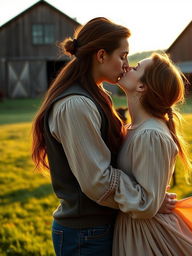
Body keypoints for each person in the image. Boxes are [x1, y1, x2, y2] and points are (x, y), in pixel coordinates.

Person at [31, 18, 175, 256]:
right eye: (123, 56)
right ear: (101, 56)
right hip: (85, 234)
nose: (126, 65)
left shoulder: (97, 95)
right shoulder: (76, 104)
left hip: (97, 228)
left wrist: (150, 194)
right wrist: (146, 201)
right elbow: (97, 180)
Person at [96, 53, 192, 255]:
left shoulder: (151, 135)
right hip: (134, 227)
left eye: (136, 68)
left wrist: (108, 177)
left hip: (145, 236)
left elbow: (147, 202)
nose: (127, 67)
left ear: (142, 87)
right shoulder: (134, 128)